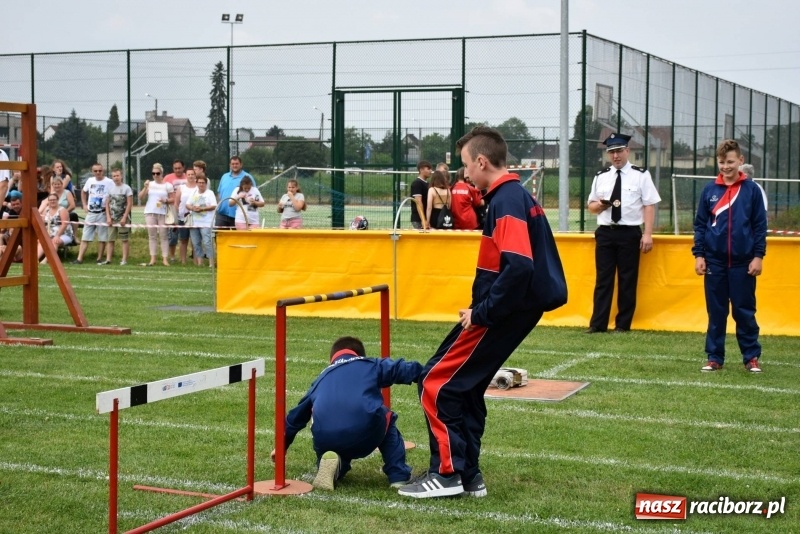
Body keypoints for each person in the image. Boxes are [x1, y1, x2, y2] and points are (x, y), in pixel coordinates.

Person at [398, 127, 566, 499]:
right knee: (467, 387)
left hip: (502, 313)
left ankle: (447, 474)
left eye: (465, 167)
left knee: (435, 384)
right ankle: (470, 476)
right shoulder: (514, 195)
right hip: (507, 311)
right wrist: (480, 306)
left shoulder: (506, 198)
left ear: (481, 161)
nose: (464, 176)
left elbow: (519, 267)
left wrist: (483, 312)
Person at [270, 336, 422, 491]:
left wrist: (281, 446)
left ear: (332, 359)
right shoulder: (370, 364)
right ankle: (398, 476)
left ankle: (337, 467)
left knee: (334, 448)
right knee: (387, 416)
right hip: (364, 430)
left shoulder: (320, 379)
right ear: (359, 355)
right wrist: (426, 372)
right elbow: (402, 369)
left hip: (325, 439)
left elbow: (294, 418)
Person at [694, 139, 767, 373]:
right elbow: (700, 226)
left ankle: (751, 358)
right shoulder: (709, 191)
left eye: (730, 162)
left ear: (741, 161)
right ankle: (714, 357)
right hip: (714, 263)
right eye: (722, 162)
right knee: (716, 313)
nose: (726, 166)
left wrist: (758, 256)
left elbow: (759, 226)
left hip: (743, 263)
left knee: (744, 312)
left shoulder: (752, 190)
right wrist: (699, 255)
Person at [584, 133, 661, 334]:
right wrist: (599, 206)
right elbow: (590, 206)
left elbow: (649, 205)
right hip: (605, 232)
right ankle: (598, 324)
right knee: (603, 280)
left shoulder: (641, 175)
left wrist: (648, 234)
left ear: (627, 151)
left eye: (619, 151)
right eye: (611, 152)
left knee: (628, 279)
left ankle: (622, 324)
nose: (616, 156)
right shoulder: (601, 176)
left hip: (629, 233)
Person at [73, 163, 114, 265]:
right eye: (95, 171)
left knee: (102, 237)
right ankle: (79, 258)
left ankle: (99, 258)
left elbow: (113, 194)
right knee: (85, 236)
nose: (98, 173)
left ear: (103, 171)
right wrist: (84, 204)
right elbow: (83, 192)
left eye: (100, 171)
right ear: (92, 172)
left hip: (103, 213)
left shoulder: (109, 182)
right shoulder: (90, 181)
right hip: (91, 213)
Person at [138, 163, 174, 267]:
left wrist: (165, 200)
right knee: (152, 236)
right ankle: (152, 258)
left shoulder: (168, 185)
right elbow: (140, 197)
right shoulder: (149, 184)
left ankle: (165, 259)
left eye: (157, 173)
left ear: (161, 173)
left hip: (163, 213)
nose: (155, 175)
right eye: (153, 173)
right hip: (150, 212)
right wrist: (145, 188)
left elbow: (173, 199)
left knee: (164, 235)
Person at [186, 175, 217, 267]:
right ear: (196, 183)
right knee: (196, 243)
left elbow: (214, 206)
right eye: (199, 182)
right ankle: (200, 262)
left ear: (206, 184)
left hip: (206, 222)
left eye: (203, 183)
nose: (201, 184)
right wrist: (192, 207)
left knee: (207, 242)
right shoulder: (193, 192)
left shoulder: (210, 193)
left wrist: (202, 209)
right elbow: (187, 204)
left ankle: (211, 262)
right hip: (194, 222)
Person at [104, 169, 133, 265]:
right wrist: (108, 217)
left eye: (117, 175)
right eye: (114, 176)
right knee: (110, 240)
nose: (116, 178)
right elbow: (107, 203)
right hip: (112, 219)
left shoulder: (127, 188)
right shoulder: (110, 189)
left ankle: (124, 259)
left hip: (122, 219)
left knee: (124, 240)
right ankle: (108, 259)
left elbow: (129, 204)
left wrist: (124, 217)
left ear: (121, 176)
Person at [216, 156, 254, 228]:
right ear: (230, 165)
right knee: (219, 237)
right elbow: (219, 193)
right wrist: (218, 206)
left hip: (239, 216)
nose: (235, 166)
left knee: (237, 238)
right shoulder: (224, 176)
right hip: (222, 214)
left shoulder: (247, 177)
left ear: (241, 165)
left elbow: (253, 194)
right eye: (233, 164)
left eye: (237, 164)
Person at [38, 193, 73, 264]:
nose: (52, 201)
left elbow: (64, 224)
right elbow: (42, 222)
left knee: (55, 241)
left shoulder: (62, 210)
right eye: (50, 200)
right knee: (41, 241)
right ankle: (36, 258)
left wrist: (57, 236)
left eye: (54, 200)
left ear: (57, 200)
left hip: (64, 234)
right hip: (49, 233)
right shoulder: (46, 210)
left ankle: (46, 260)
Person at [164, 159, 188, 262]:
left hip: (186, 209)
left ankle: (186, 258)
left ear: (183, 167)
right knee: (173, 234)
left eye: (179, 168)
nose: (177, 170)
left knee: (186, 235)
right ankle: (172, 256)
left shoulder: (188, 177)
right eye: (175, 168)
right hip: (172, 208)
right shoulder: (168, 178)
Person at [174, 165, 199, 265]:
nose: (190, 176)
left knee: (195, 241)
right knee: (183, 240)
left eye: (192, 174)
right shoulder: (181, 188)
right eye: (188, 174)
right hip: (183, 218)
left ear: (195, 175)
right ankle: (183, 261)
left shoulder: (198, 188)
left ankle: (196, 261)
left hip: (196, 218)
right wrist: (179, 213)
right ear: (186, 176)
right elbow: (176, 203)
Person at [410, 160, 432, 229]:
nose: (430, 171)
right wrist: (423, 219)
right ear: (421, 169)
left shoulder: (427, 183)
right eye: (428, 169)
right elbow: (418, 202)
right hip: (418, 219)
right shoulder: (417, 183)